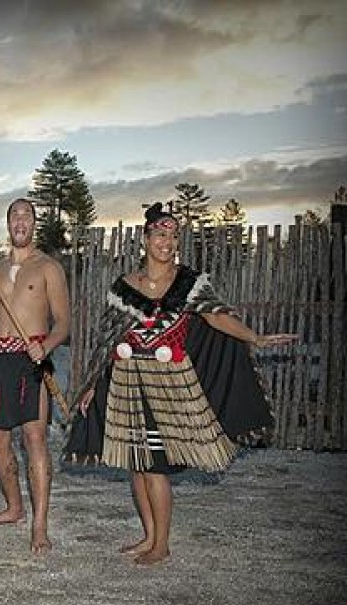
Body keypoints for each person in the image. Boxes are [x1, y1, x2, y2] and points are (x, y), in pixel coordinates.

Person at [63, 202, 297, 565]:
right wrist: (93, 384)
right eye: (161, 235)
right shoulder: (123, 287)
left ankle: (162, 544)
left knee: (154, 463)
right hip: (127, 383)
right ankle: (148, 536)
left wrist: (256, 338)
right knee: (136, 463)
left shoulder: (189, 283)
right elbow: (106, 343)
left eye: (173, 237)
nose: (167, 242)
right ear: (145, 239)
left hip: (170, 383)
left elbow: (218, 319)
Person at [0, 197, 70, 554]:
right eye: (14, 215)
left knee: (34, 437)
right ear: (9, 225)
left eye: (26, 215)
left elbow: (64, 323)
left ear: (33, 223)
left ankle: (39, 525)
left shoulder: (48, 268)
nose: (20, 220)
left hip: (32, 358)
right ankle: (14, 506)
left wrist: (47, 346)